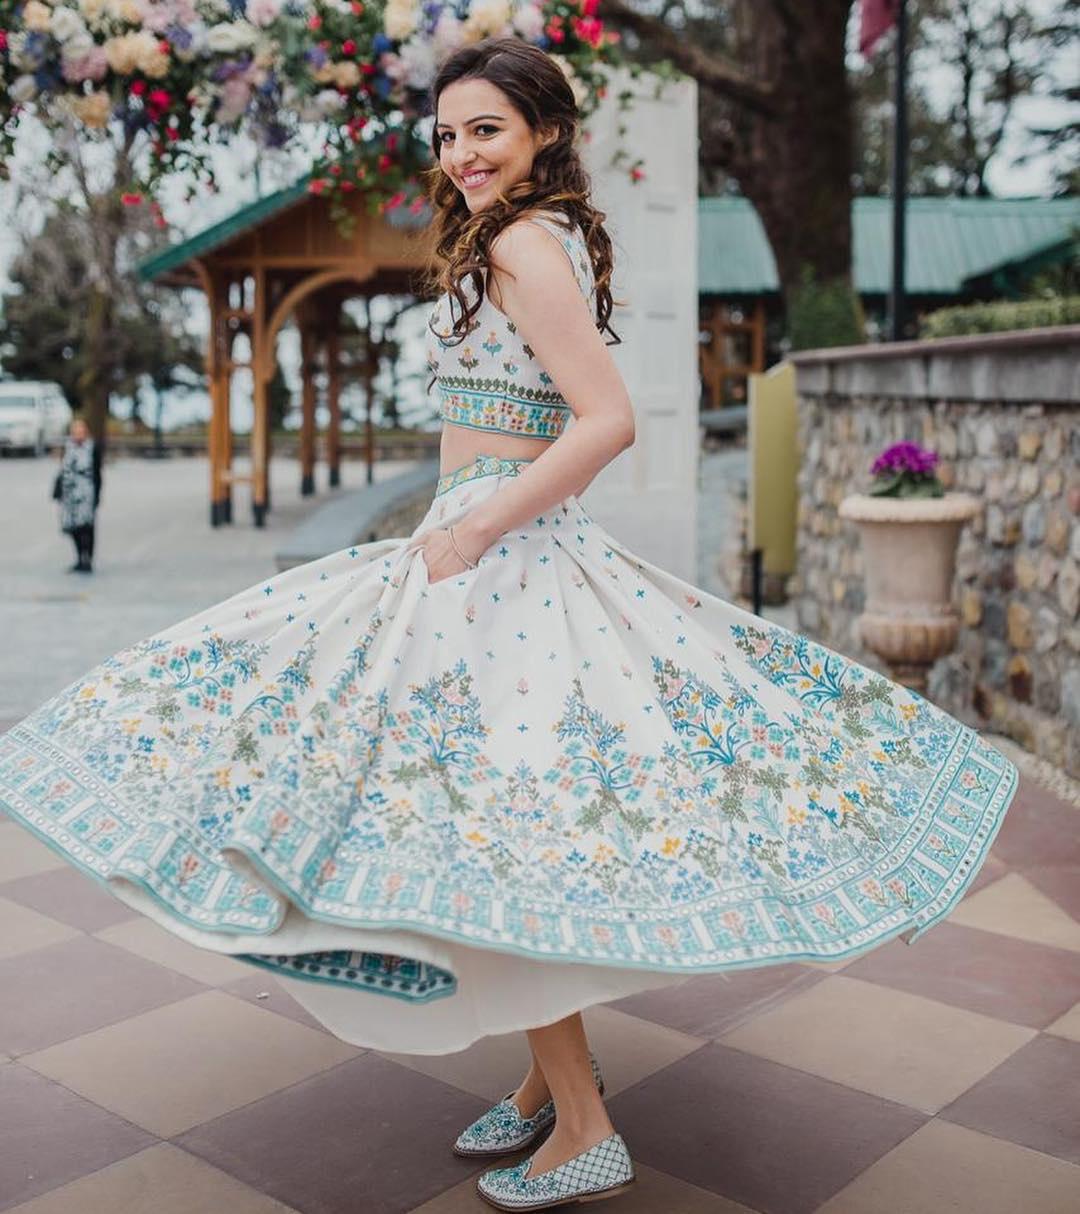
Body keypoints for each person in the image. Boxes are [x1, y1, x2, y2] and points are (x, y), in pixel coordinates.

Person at [0, 37, 1018, 1213]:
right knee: (489, 823)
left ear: (541, 129)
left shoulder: (527, 243)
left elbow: (606, 420)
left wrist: (477, 530)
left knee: (490, 827)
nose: (461, 155)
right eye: (445, 135)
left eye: (484, 129)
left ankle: (584, 1121)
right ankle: (546, 1090)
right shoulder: (529, 237)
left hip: (503, 564)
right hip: (483, 551)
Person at [54, 415, 102, 573]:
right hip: (69, 495)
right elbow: (62, 471)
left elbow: (97, 473)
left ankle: (87, 559)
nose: (78, 433)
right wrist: (58, 490)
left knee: (87, 528)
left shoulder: (92, 448)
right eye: (75, 430)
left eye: (81, 430)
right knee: (72, 528)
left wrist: (97, 496)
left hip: (86, 493)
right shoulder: (67, 448)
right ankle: (78, 558)